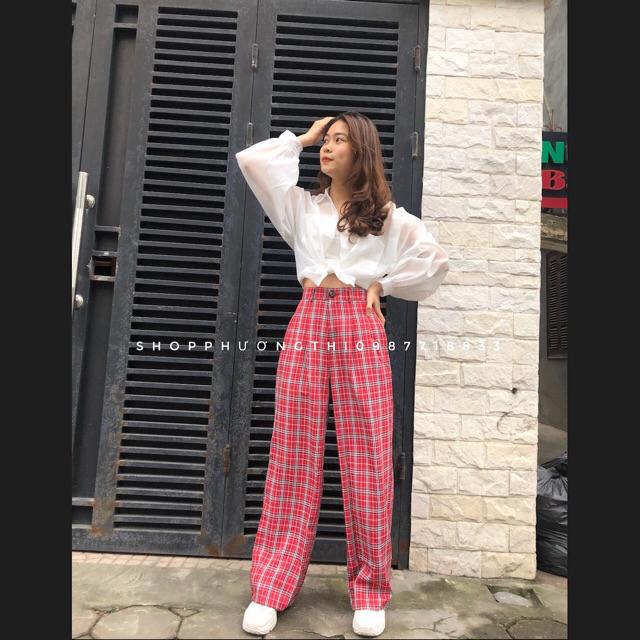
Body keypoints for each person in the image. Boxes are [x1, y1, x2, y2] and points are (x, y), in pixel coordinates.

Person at [235, 113, 449, 637]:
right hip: (308, 319)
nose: (326, 148)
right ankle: (271, 586)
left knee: (369, 453)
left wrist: (384, 284)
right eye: (325, 140)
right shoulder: (300, 206)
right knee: (293, 450)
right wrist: (303, 138)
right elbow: (254, 162)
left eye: (338, 140)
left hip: (359, 322)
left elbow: (434, 260)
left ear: (362, 152)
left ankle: (370, 589)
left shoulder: (388, 217)